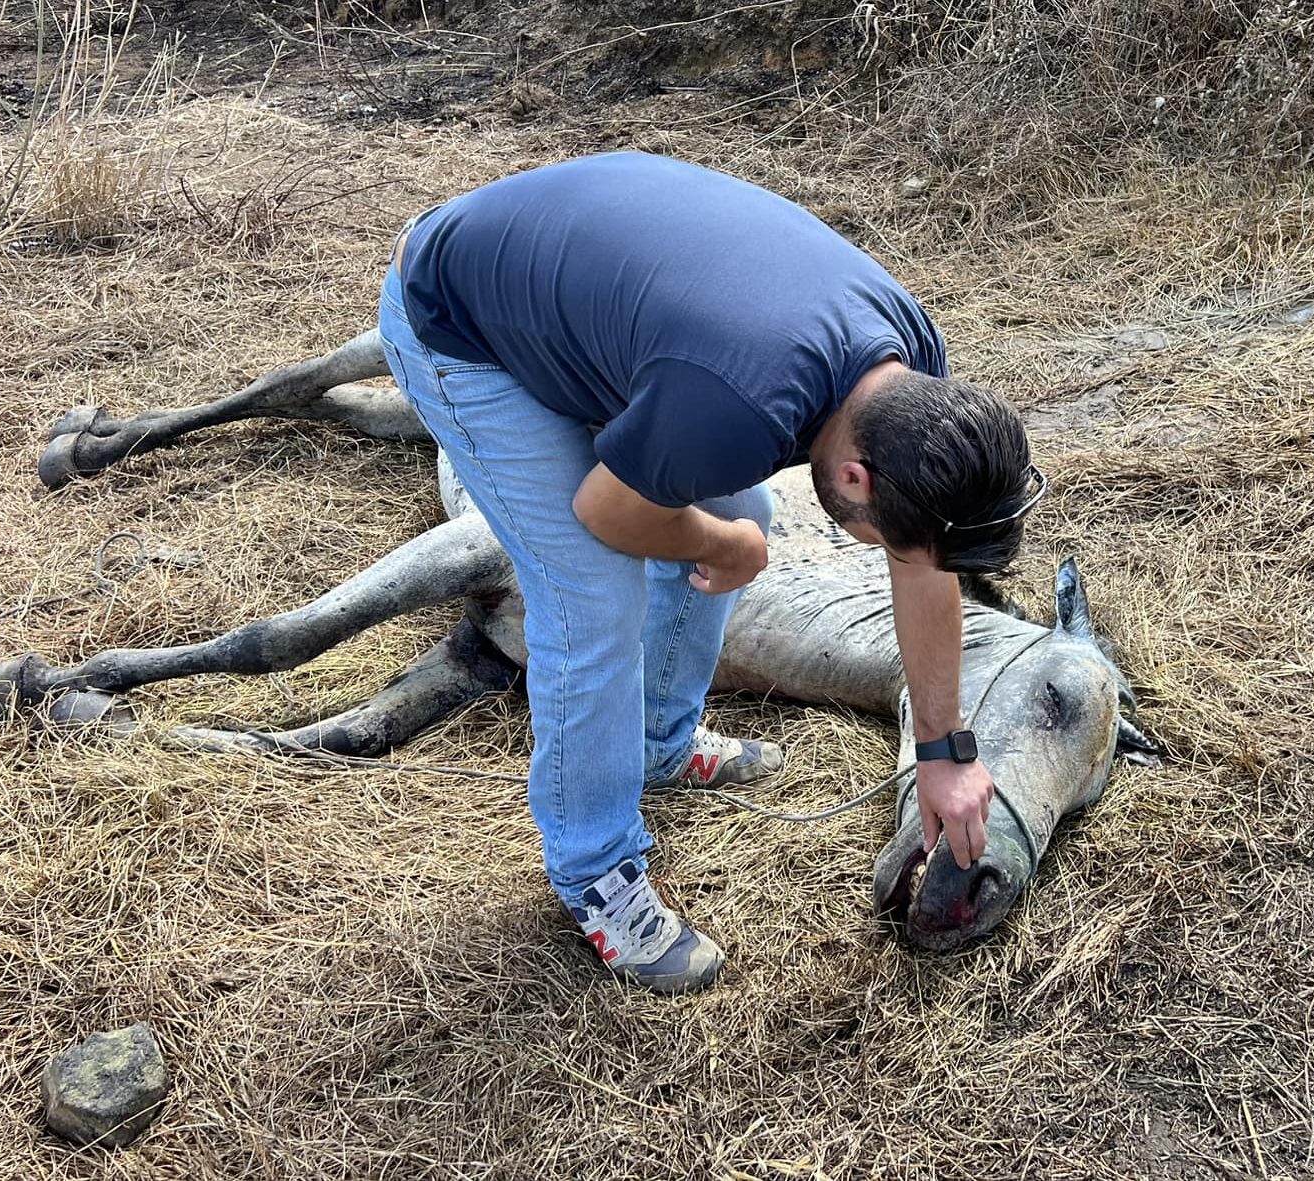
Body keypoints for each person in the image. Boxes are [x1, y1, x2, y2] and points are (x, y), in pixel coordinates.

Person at [378, 152, 1039, 993]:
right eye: (886, 542)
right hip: (454, 318)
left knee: (747, 511)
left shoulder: (908, 370)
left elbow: (925, 569)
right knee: (592, 590)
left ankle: (658, 741)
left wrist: (946, 753)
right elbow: (604, 512)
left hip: (591, 293)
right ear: (855, 480)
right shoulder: (739, 405)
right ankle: (594, 875)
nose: (892, 559)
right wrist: (722, 551)